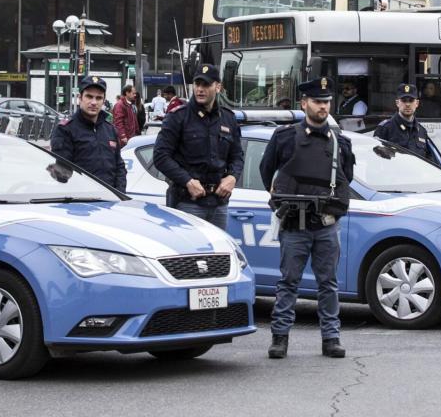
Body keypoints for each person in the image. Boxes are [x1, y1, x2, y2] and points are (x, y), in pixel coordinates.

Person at [260, 76, 355, 360]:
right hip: (295, 224)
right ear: (304, 104)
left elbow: (345, 177)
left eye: (326, 102)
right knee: (289, 282)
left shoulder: (340, 141)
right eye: (317, 101)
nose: (323, 106)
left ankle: (331, 338)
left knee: (328, 283)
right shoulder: (285, 137)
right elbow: (267, 172)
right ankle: (280, 339)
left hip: (326, 224)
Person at [152, 64, 244, 229]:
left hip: (219, 204)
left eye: (206, 85)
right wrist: (187, 181)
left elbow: (237, 156)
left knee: (218, 253)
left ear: (218, 87)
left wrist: (232, 177)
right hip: (187, 203)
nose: (200, 89)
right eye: (197, 84)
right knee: (188, 254)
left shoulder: (228, 118)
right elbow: (160, 156)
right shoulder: (178, 117)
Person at [49, 75, 126, 190]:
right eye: (89, 96)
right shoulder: (65, 129)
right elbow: (62, 173)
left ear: (103, 101)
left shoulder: (110, 129)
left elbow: (119, 166)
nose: (94, 102)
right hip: (81, 201)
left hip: (110, 200)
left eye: (99, 98)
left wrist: (119, 193)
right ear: (80, 98)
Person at [373, 83, 434, 161]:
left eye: (411, 100)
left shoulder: (422, 131)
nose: (407, 104)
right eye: (404, 100)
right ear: (397, 103)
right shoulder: (385, 128)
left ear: (417, 103)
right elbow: (374, 160)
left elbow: (429, 162)